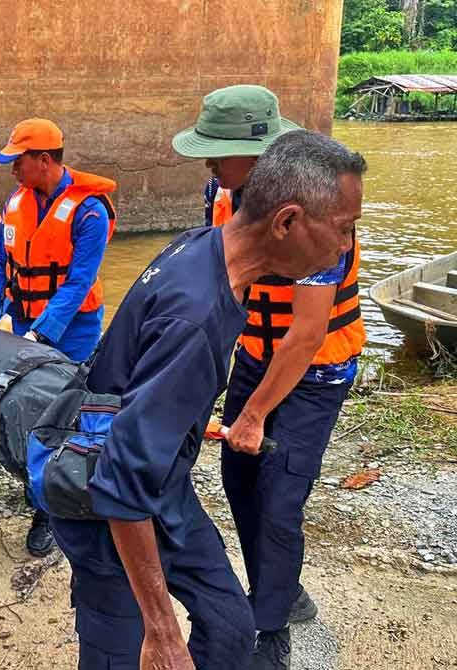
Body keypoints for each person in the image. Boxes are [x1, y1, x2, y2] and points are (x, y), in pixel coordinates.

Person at [50, 130, 366, 670]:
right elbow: (120, 482)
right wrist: (163, 630)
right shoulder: (194, 322)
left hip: (159, 482)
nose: (345, 245)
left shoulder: (202, 246)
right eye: (343, 229)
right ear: (286, 222)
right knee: (123, 651)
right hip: (105, 497)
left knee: (230, 629)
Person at [173, 85, 367, 669]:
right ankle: (279, 584)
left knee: (281, 498)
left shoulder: (319, 210)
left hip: (317, 367)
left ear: (256, 152)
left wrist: (254, 412)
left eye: (216, 151)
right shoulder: (226, 194)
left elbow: (307, 334)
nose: (208, 163)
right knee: (239, 476)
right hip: (256, 354)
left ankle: (271, 628)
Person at [0, 118, 115, 557]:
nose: (12, 171)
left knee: (62, 413)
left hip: (72, 329)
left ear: (43, 160)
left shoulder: (89, 211)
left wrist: (42, 335)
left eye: (18, 162)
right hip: (23, 319)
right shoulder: (15, 204)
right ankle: (36, 481)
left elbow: (78, 283)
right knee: (20, 408)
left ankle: (50, 510)